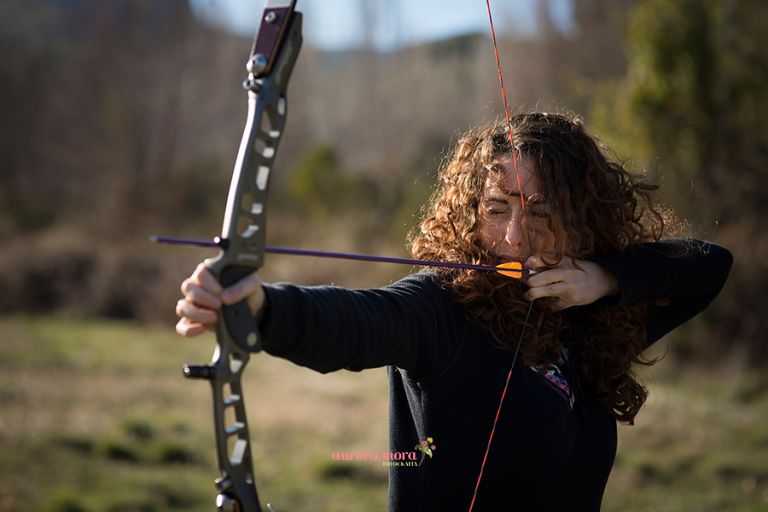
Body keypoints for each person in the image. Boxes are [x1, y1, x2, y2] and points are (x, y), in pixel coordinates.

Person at [175, 112, 732, 511]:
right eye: (496, 209)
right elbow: (359, 321)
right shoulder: (442, 306)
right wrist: (260, 306)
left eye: (541, 212)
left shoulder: (595, 321)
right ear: (470, 214)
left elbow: (708, 267)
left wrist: (607, 279)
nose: (515, 236)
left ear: (583, 217)